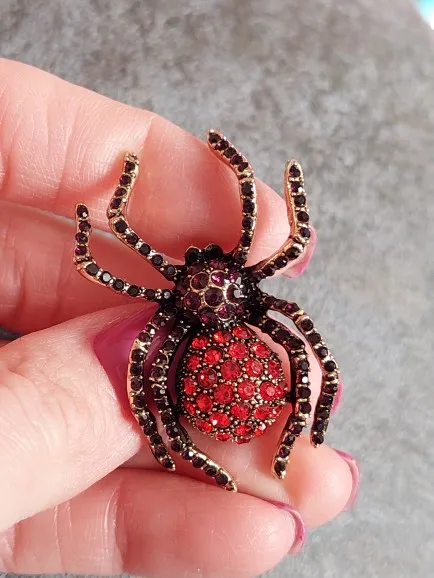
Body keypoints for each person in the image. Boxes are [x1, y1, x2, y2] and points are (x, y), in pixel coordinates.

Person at [0, 58, 358, 578]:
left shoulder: (183, 310)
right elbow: (107, 251)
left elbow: (107, 247)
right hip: (218, 358)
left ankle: (281, 443)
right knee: (299, 360)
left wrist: (233, 168)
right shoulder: (237, 296)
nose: (204, 267)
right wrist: (242, 169)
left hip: (212, 358)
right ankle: (274, 448)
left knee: (303, 363)